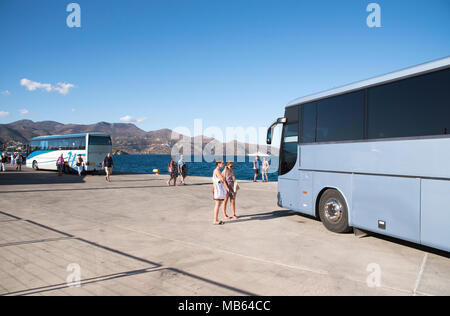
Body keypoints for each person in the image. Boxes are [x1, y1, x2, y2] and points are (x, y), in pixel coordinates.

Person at [212, 159, 229, 225]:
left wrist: (224, 171)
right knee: (217, 205)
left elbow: (222, 178)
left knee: (218, 205)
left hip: (217, 189)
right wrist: (227, 188)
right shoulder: (217, 171)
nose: (223, 164)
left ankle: (216, 219)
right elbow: (222, 179)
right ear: (218, 164)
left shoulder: (217, 171)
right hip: (217, 190)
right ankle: (215, 220)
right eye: (222, 163)